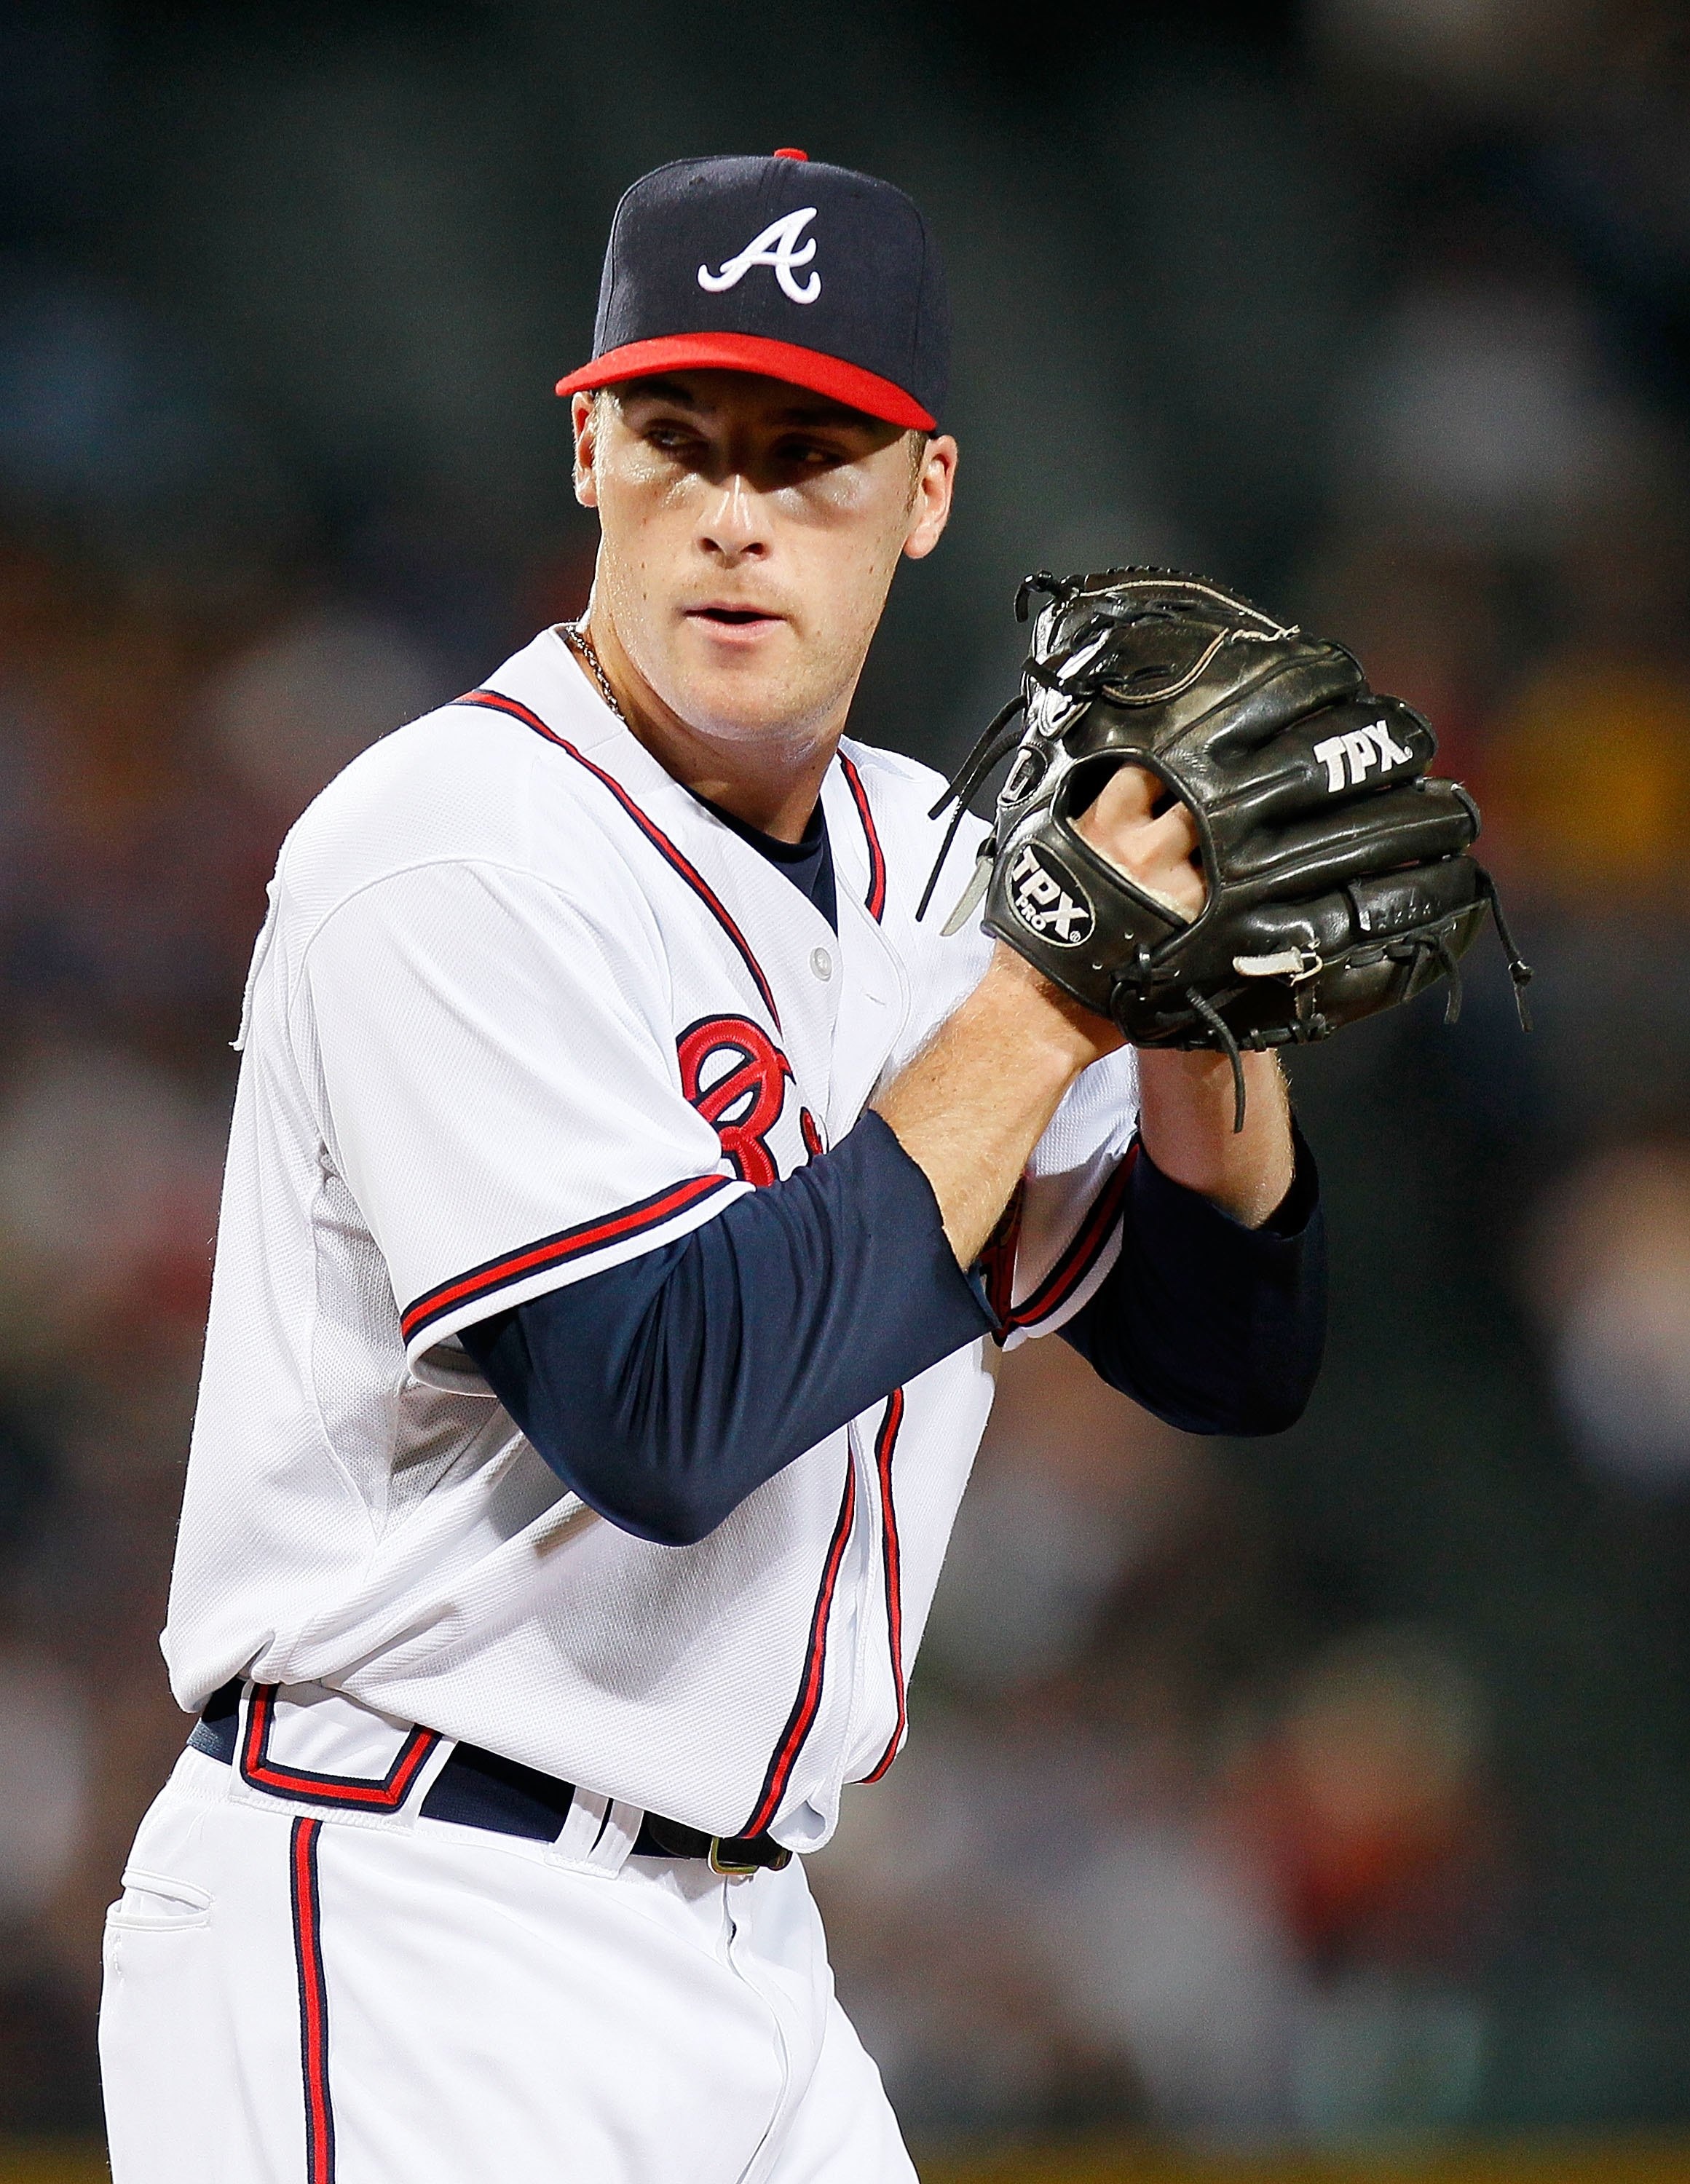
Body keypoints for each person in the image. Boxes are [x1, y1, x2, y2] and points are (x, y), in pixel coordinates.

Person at [98, 150, 1324, 2183]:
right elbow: (659, 1418)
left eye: (812, 452)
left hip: (754, 1960)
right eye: (682, 439)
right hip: (404, 1922)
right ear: (587, 448)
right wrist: (1046, 1001)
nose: (736, 512)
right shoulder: (449, 847)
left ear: (926, 493)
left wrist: (1202, 994)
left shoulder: (941, 865)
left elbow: (1230, 1347)